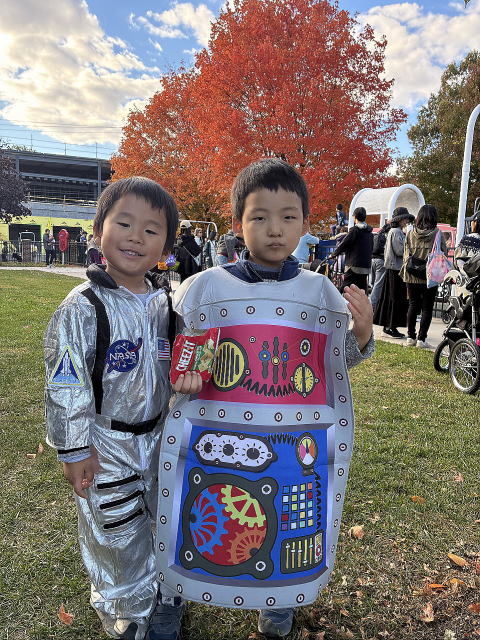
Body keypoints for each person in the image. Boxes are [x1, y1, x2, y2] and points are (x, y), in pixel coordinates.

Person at [153, 159, 374, 640]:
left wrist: (360, 331)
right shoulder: (205, 288)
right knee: (191, 511)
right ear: (238, 223)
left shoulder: (320, 293)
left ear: (305, 223)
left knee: (291, 521)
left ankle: (280, 602)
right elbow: (180, 351)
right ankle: (170, 596)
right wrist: (183, 376)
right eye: (259, 217)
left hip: (292, 447)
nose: (275, 229)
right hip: (211, 439)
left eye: (288, 217)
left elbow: (334, 364)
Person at [44, 177, 202, 640]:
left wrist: (190, 377)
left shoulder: (165, 303)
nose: (136, 237)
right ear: (98, 231)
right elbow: (67, 383)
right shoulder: (83, 306)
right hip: (106, 442)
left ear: (166, 247)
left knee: (163, 518)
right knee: (115, 529)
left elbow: (183, 360)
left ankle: (164, 593)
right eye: (124, 223)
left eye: (151, 230)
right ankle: (125, 610)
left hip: (159, 436)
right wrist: (74, 449)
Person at [400, 204, 447, 348]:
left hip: (412, 274)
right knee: (427, 307)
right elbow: (443, 253)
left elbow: (405, 253)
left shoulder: (410, 233)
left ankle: (410, 337)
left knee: (413, 305)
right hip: (430, 275)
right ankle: (421, 339)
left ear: (419, 217)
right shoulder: (437, 233)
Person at [373, 208, 412, 338]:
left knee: (391, 298)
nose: (406, 221)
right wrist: (409, 246)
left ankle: (389, 326)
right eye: (405, 218)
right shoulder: (396, 232)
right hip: (396, 269)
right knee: (395, 299)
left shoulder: (393, 231)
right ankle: (391, 327)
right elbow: (400, 251)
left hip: (392, 268)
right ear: (399, 219)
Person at [329, 207, 373, 292]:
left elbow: (344, 244)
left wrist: (334, 254)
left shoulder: (355, 230)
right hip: (366, 266)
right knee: (361, 290)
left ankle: (338, 300)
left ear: (355, 217)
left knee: (345, 288)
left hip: (354, 265)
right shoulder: (369, 233)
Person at [369, 221, 390, 311]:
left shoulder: (377, 235)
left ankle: (373, 302)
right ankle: (372, 305)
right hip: (381, 261)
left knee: (373, 283)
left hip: (372, 260)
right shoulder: (387, 236)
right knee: (378, 284)